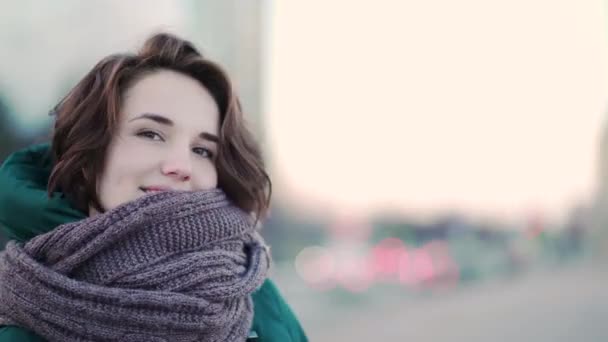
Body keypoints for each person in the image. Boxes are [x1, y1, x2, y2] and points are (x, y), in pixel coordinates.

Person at [0, 33, 307, 342]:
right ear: (90, 150)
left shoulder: (258, 298)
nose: (181, 166)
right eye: (151, 134)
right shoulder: (19, 316)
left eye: (202, 151)